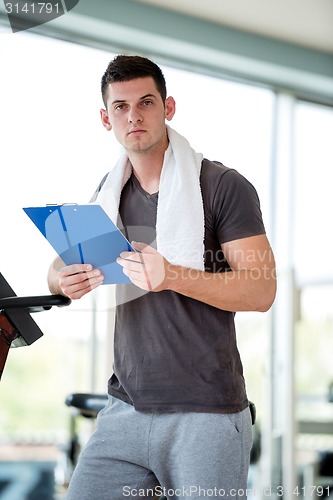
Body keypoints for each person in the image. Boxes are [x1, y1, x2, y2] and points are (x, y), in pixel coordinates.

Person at [48, 55, 276, 499]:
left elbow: (261, 289)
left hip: (206, 414)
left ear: (168, 107)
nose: (133, 115)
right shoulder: (108, 192)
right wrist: (62, 279)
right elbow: (60, 264)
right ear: (105, 118)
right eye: (120, 106)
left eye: (146, 102)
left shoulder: (223, 186)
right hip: (124, 409)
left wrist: (171, 275)